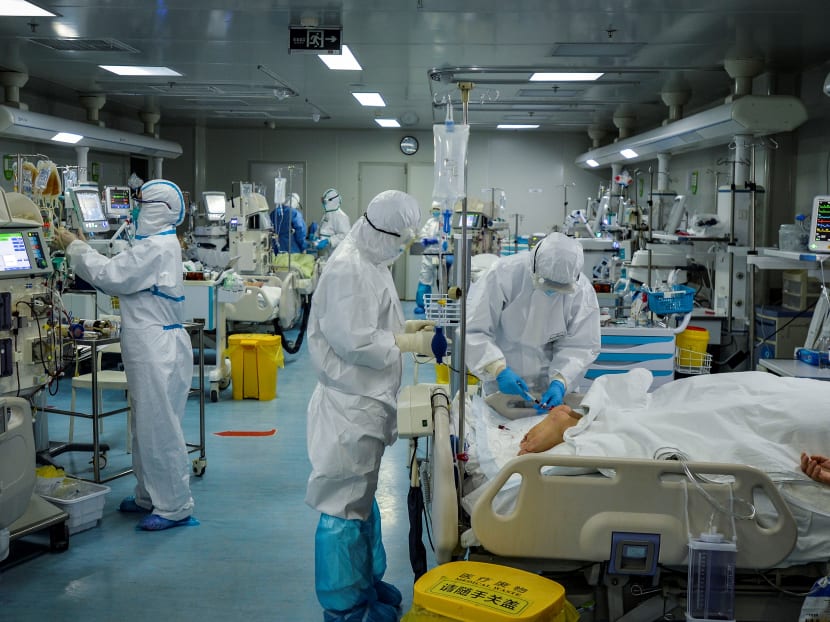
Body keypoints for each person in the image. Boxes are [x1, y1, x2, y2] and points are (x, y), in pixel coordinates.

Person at [305, 190, 430, 622]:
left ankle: (364, 583)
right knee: (344, 505)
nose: (401, 249)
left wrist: (406, 328)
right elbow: (355, 340)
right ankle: (347, 606)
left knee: (360, 496)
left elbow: (375, 322)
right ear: (381, 232)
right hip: (349, 404)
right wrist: (408, 342)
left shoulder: (371, 260)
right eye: (400, 241)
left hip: (365, 400)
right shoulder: (349, 269)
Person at [55, 179, 196, 531]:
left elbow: (111, 275)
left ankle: (175, 505)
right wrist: (85, 248)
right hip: (156, 344)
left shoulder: (157, 249)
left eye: (140, 204)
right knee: (145, 425)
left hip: (156, 347)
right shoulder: (157, 245)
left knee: (158, 428)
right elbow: (122, 268)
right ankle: (150, 495)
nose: (133, 211)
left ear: (156, 209)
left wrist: (75, 249)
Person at [465, 232, 601, 412]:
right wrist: (497, 369)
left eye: (560, 289)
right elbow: (475, 330)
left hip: (553, 392)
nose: (551, 294)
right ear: (534, 268)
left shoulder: (582, 291)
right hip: (502, 385)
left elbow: (581, 346)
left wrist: (560, 382)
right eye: (547, 285)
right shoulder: (503, 273)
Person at [414, 202, 443, 315]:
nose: (435, 212)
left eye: (437, 209)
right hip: (428, 255)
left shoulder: (446, 222)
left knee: (443, 281)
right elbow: (423, 234)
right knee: (424, 279)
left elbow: (447, 237)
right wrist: (425, 240)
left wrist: (437, 240)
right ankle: (422, 305)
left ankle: (445, 304)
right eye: (433, 209)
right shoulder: (429, 222)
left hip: (442, 255)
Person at [315, 188, 351, 254]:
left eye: (324, 202)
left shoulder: (341, 216)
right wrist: (315, 236)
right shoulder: (326, 214)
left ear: (332, 201)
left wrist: (329, 241)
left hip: (335, 253)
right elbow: (321, 228)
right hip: (324, 252)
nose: (323, 204)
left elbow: (345, 236)